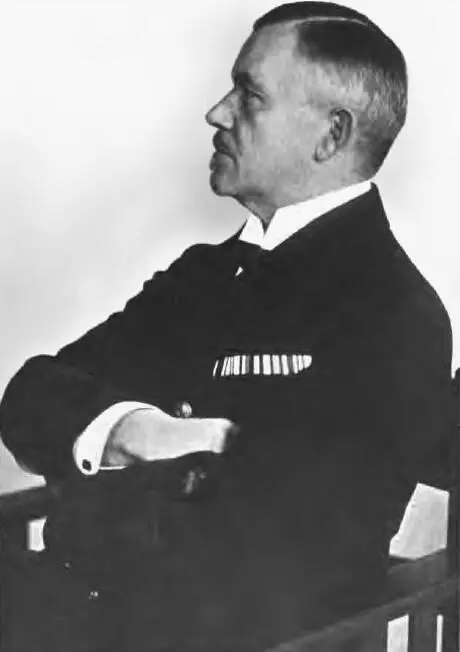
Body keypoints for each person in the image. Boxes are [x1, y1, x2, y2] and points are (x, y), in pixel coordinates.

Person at [0, 2, 453, 651]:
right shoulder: (205, 274)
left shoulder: (396, 313)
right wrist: (136, 434)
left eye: (250, 94)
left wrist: (96, 499)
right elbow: (29, 396)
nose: (217, 113)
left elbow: (281, 564)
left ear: (331, 135)